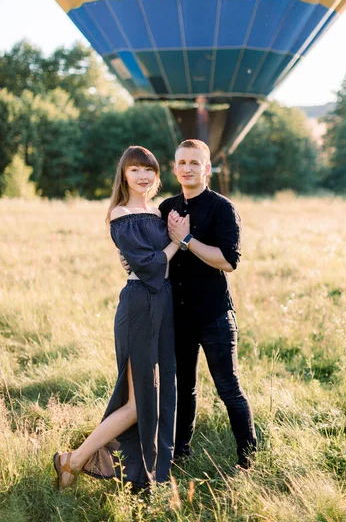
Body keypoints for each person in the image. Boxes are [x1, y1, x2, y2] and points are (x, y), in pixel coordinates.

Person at [53, 146, 188, 490]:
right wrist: (178, 242)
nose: (143, 176)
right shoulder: (120, 213)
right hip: (140, 303)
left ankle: (90, 463)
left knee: (154, 397)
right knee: (137, 403)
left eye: (149, 170)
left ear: (157, 176)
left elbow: (151, 259)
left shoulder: (159, 212)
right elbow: (149, 265)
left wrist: (171, 240)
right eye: (135, 170)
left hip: (163, 304)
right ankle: (75, 459)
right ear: (124, 176)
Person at [121, 139, 257, 469]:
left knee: (229, 387)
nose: (187, 168)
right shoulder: (167, 208)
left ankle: (248, 455)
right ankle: (181, 452)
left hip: (214, 315)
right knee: (184, 388)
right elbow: (152, 254)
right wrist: (138, 261)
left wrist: (186, 239)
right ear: (174, 168)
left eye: (194, 163)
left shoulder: (222, 208)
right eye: (182, 163)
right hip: (176, 316)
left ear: (206, 168)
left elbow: (227, 261)